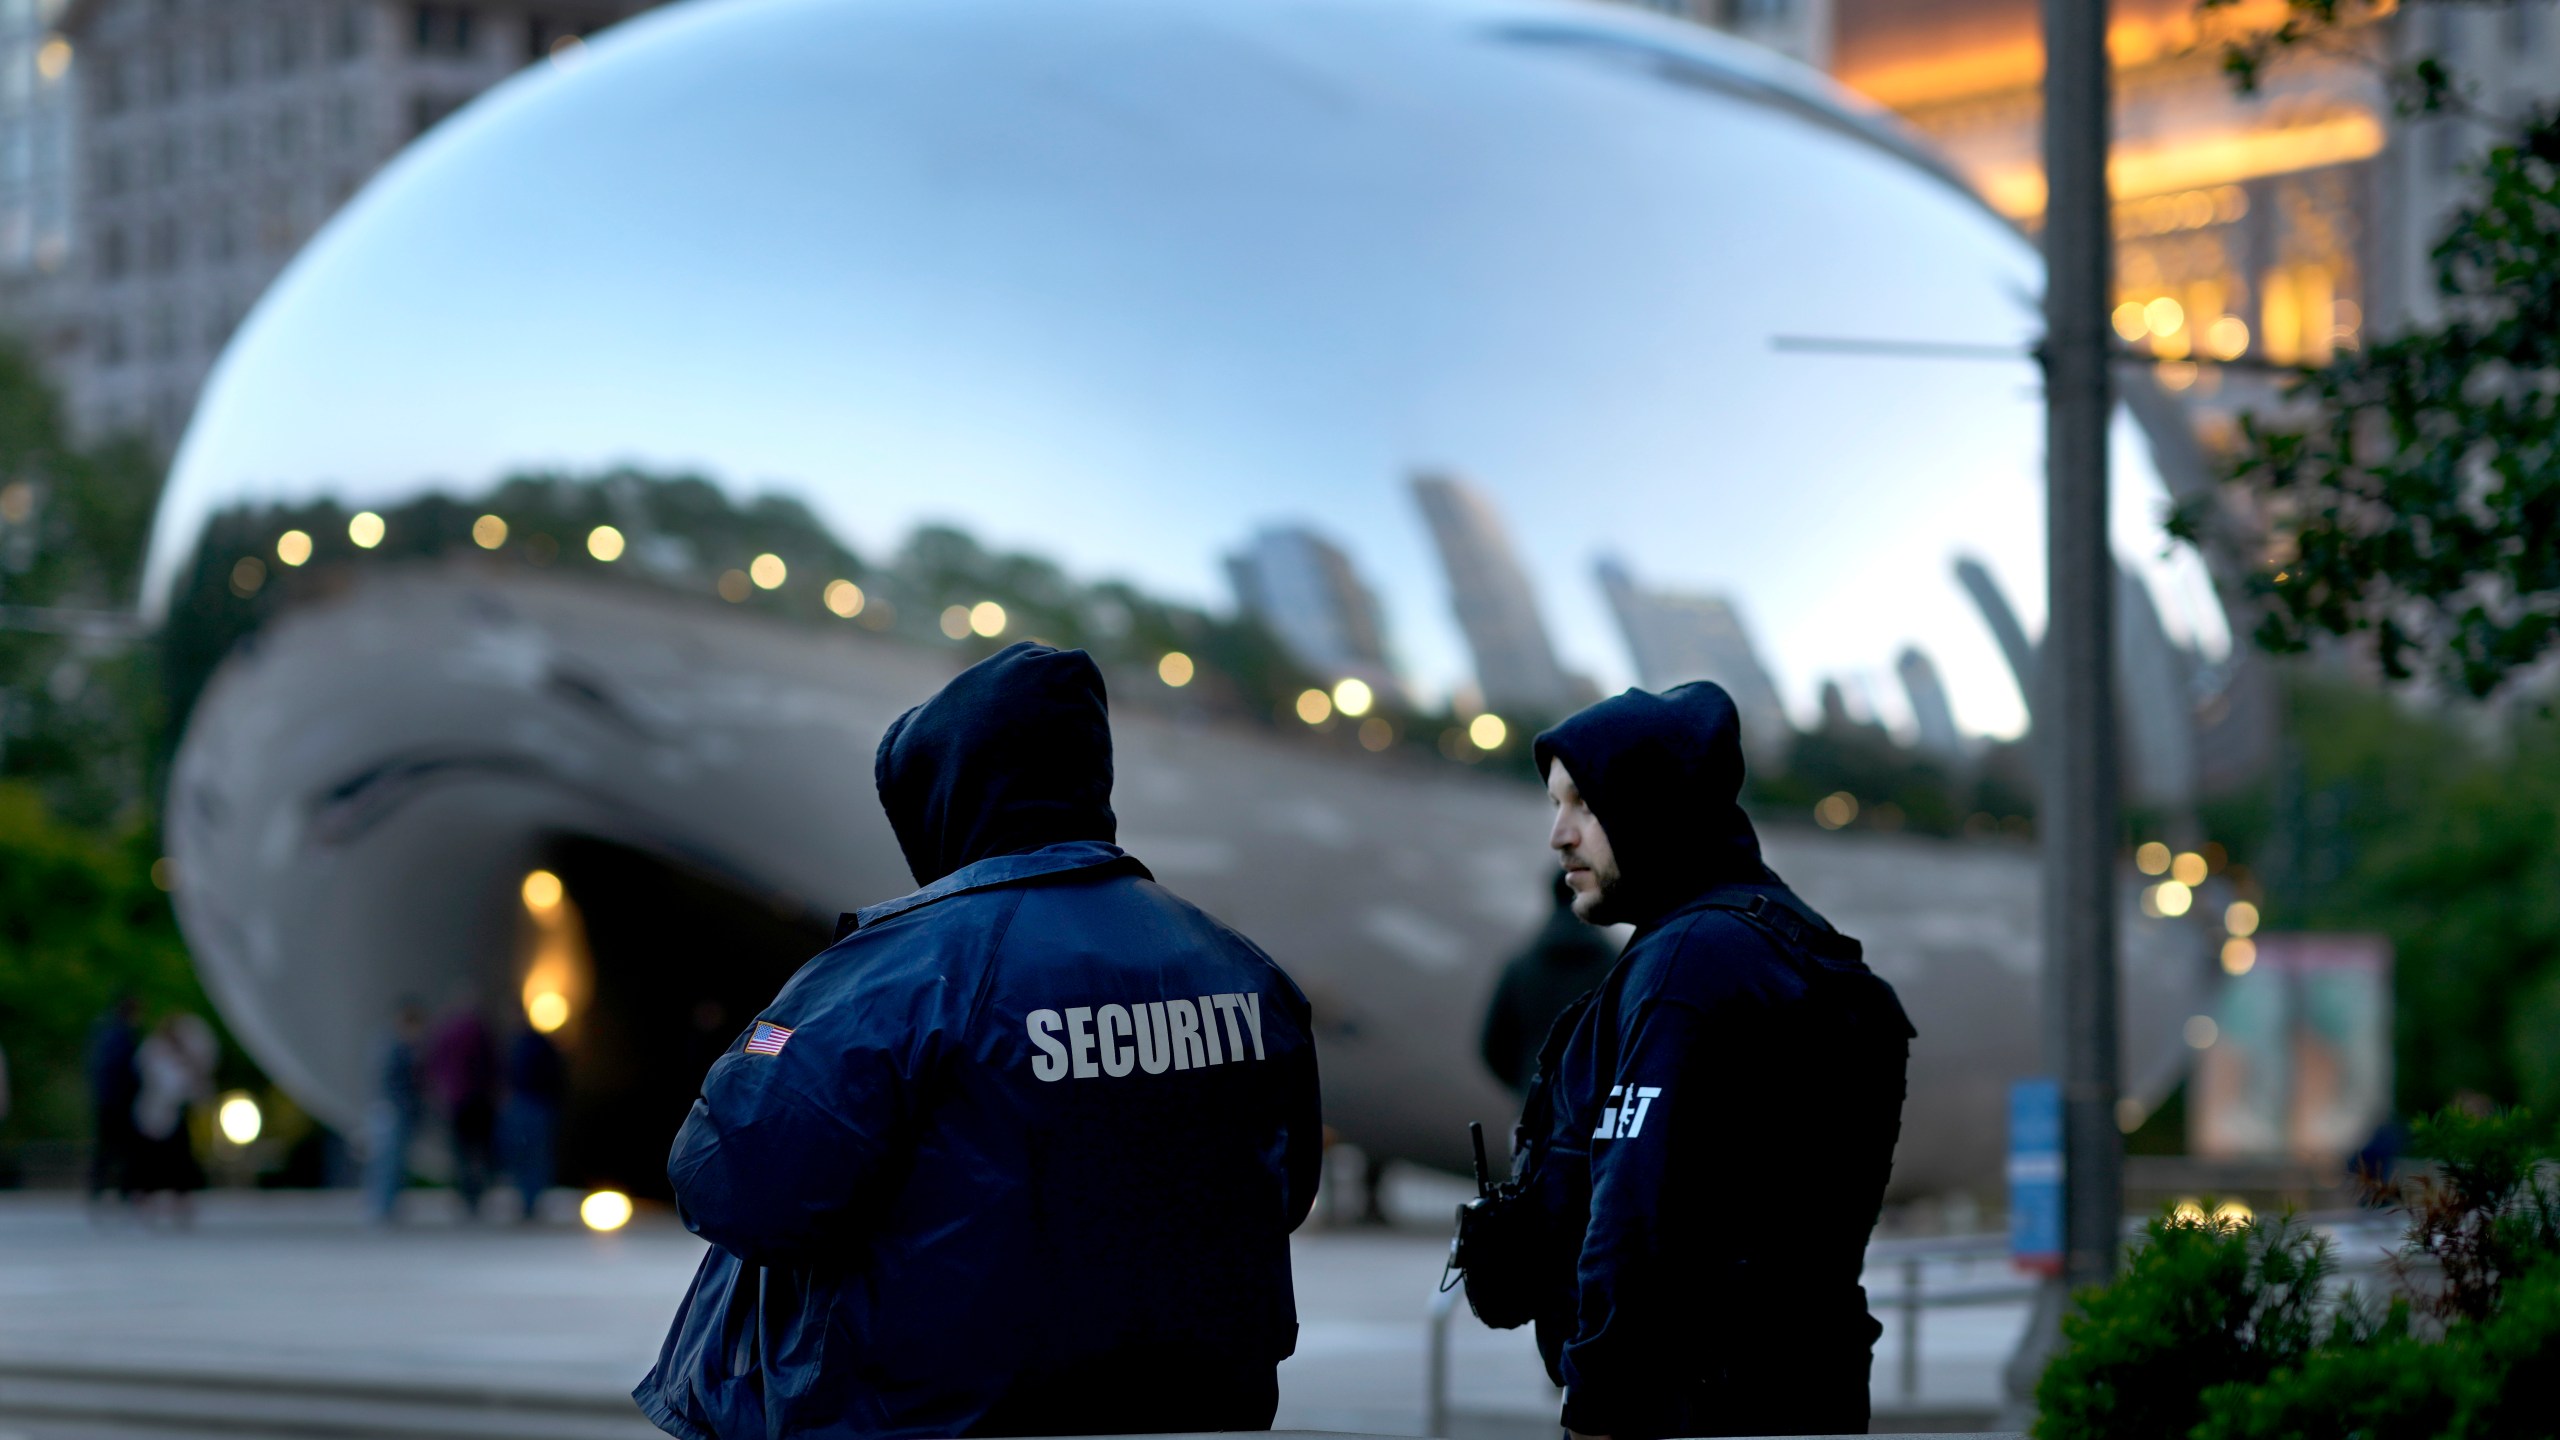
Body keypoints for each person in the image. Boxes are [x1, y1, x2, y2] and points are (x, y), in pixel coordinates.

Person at [637, 642, 1324, 1440]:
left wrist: (762, 1048)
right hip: (1202, 1414)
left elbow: (737, 1188)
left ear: (948, 795)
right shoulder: (1243, 971)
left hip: (920, 1418)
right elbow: (1287, 1190)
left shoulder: (900, 973)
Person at [1509, 681, 1914, 1440]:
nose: (1560, 835)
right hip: (1802, 1389)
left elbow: (1636, 1216)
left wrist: (1595, 1407)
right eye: (1555, 806)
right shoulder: (1786, 941)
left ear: (1652, 807)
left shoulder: (1688, 966)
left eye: (1586, 805)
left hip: (1687, 1406)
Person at [1479, 874, 1620, 1098]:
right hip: (1591, 1109)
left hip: (1531, 1105)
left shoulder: (1522, 963)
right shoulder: (1616, 964)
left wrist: (1529, 1083)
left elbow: (1493, 1044)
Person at [127, 1013, 217, 1224]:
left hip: (173, 1115)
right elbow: (167, 1082)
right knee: (152, 1161)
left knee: (177, 1161)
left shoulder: (179, 1055)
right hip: (155, 1113)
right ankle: (148, 1199)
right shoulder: (154, 1052)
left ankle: (178, 1200)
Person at [426, 1000, 500, 1219]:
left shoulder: (447, 1033)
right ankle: (477, 1195)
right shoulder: (482, 1033)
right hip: (478, 1101)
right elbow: (492, 1066)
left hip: (458, 1101)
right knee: (480, 1152)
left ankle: (466, 1195)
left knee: (461, 1153)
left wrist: (441, 1093)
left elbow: (435, 1065)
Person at [366, 998, 427, 1224]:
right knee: (388, 1162)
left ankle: (387, 1206)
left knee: (395, 1162)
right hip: (393, 1111)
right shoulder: (394, 1046)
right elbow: (392, 1082)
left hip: (397, 1111)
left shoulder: (399, 1045)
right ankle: (382, 1207)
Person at [502, 1024, 567, 1222]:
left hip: (533, 1104)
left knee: (532, 1156)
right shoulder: (529, 1045)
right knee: (529, 1156)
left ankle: (531, 1200)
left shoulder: (530, 1046)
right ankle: (529, 1199)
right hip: (531, 1104)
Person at [85, 996, 142, 1207]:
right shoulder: (123, 1035)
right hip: (119, 1101)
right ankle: (123, 1190)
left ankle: (101, 1188)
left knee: (106, 1148)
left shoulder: (104, 1032)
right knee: (124, 1148)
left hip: (106, 1099)